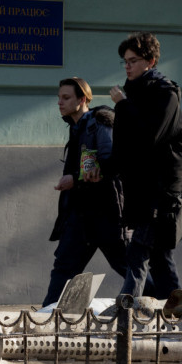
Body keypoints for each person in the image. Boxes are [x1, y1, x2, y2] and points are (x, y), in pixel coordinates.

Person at [108, 33, 182, 299]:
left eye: (133, 60)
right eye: (125, 61)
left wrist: (123, 105)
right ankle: (179, 312)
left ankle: (127, 313)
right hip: (140, 191)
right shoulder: (134, 95)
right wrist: (105, 171)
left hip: (160, 193)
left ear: (150, 61)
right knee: (160, 261)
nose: (127, 66)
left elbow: (149, 137)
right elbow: (123, 146)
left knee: (137, 253)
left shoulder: (166, 94)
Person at [41, 77, 127, 308]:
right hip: (81, 214)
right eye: (59, 97)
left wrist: (75, 178)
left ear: (82, 100)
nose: (60, 102)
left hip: (104, 213)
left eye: (66, 97)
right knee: (64, 268)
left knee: (127, 267)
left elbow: (110, 164)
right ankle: (46, 316)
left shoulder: (100, 123)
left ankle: (162, 304)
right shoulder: (77, 127)